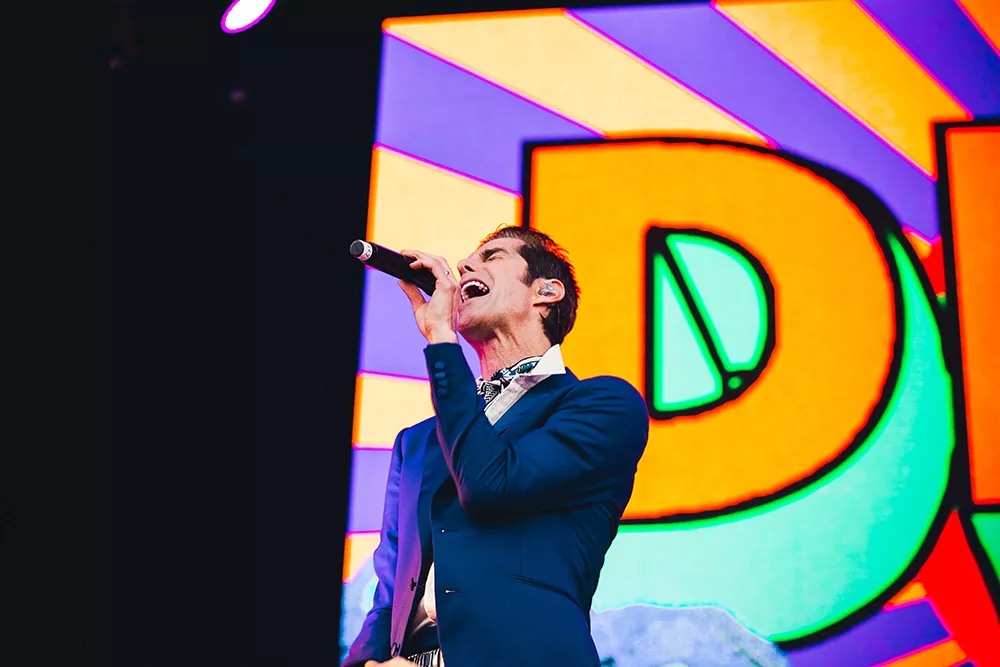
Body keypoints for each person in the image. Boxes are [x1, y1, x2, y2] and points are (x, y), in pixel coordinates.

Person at [342, 226, 650, 667]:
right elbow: (392, 590)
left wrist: (442, 338)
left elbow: (490, 485)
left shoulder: (602, 405)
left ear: (546, 292)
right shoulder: (416, 442)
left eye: (493, 257)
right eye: (469, 258)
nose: (465, 265)